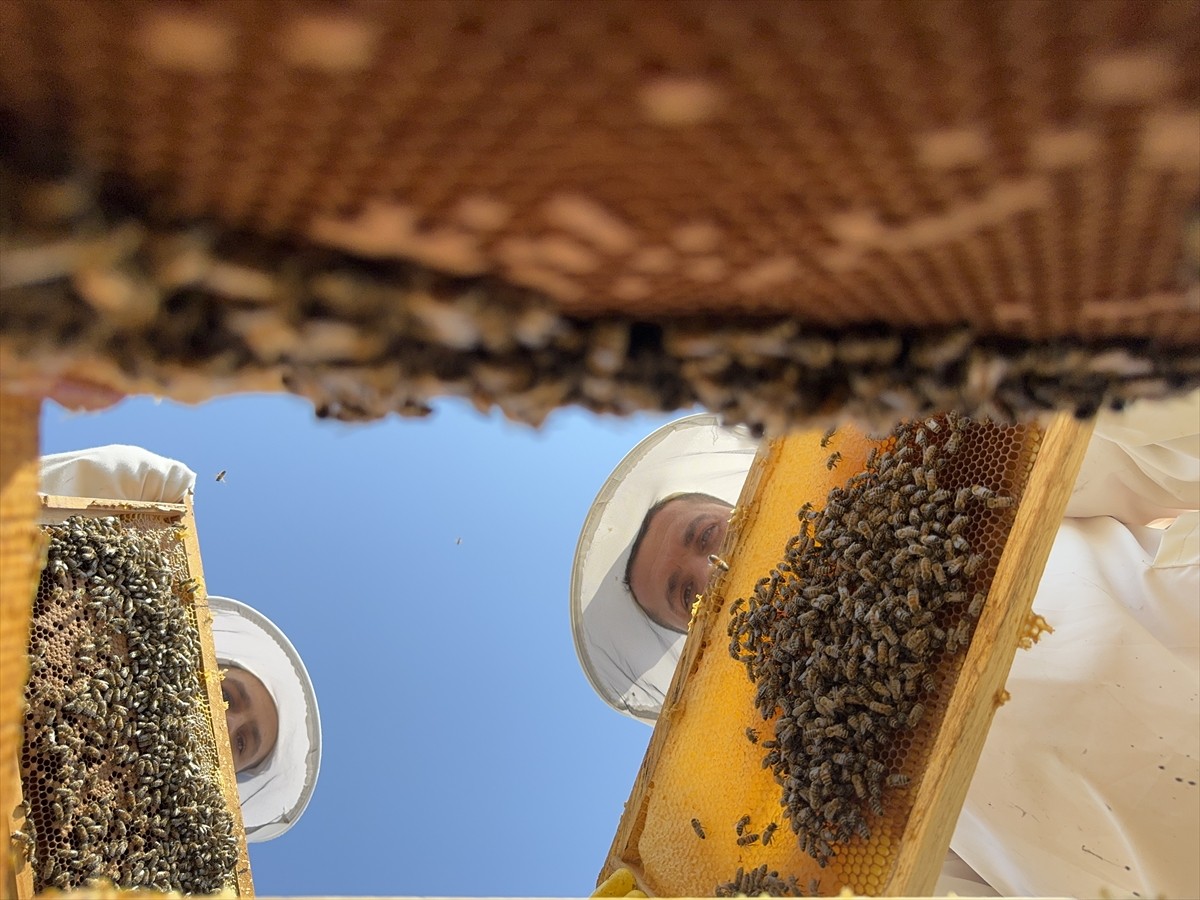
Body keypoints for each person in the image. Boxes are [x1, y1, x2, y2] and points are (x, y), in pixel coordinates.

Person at [571, 395, 1200, 898]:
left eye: (706, 532)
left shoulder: (937, 473)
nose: (714, 565)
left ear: (749, 505)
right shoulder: (823, 785)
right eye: (687, 595)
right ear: (698, 641)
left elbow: (1160, 449)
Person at [39, 444, 322, 843]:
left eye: (241, 743)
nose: (225, 721)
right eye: (227, 694)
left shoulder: (121, 846)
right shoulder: (85, 615)